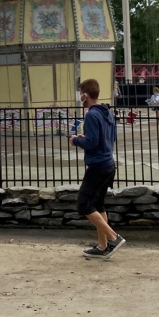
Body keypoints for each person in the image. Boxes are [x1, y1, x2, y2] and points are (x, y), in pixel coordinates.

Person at [68, 78, 126, 260]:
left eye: (80, 94)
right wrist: (88, 137)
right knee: (98, 204)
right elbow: (108, 138)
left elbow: (91, 143)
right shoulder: (107, 112)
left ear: (85, 95)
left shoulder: (92, 114)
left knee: (84, 204)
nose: (80, 97)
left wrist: (76, 140)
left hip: (98, 165)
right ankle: (102, 247)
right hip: (109, 163)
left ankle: (113, 238)